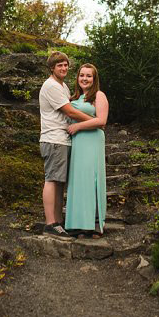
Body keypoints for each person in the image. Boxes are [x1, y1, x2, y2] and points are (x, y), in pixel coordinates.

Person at [38, 51, 95, 238]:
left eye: (65, 65)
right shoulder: (51, 86)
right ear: (52, 68)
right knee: (52, 179)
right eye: (59, 65)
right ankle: (50, 223)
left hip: (63, 139)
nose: (63, 68)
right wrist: (95, 121)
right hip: (53, 139)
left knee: (59, 182)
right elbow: (70, 112)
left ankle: (58, 222)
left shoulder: (62, 87)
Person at [64, 63, 109, 237]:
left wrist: (79, 127)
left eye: (88, 76)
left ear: (94, 79)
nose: (84, 78)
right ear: (77, 78)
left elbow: (102, 121)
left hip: (92, 140)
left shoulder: (99, 95)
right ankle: (76, 223)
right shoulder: (73, 98)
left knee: (91, 179)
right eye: (82, 75)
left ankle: (92, 223)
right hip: (77, 142)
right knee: (77, 180)